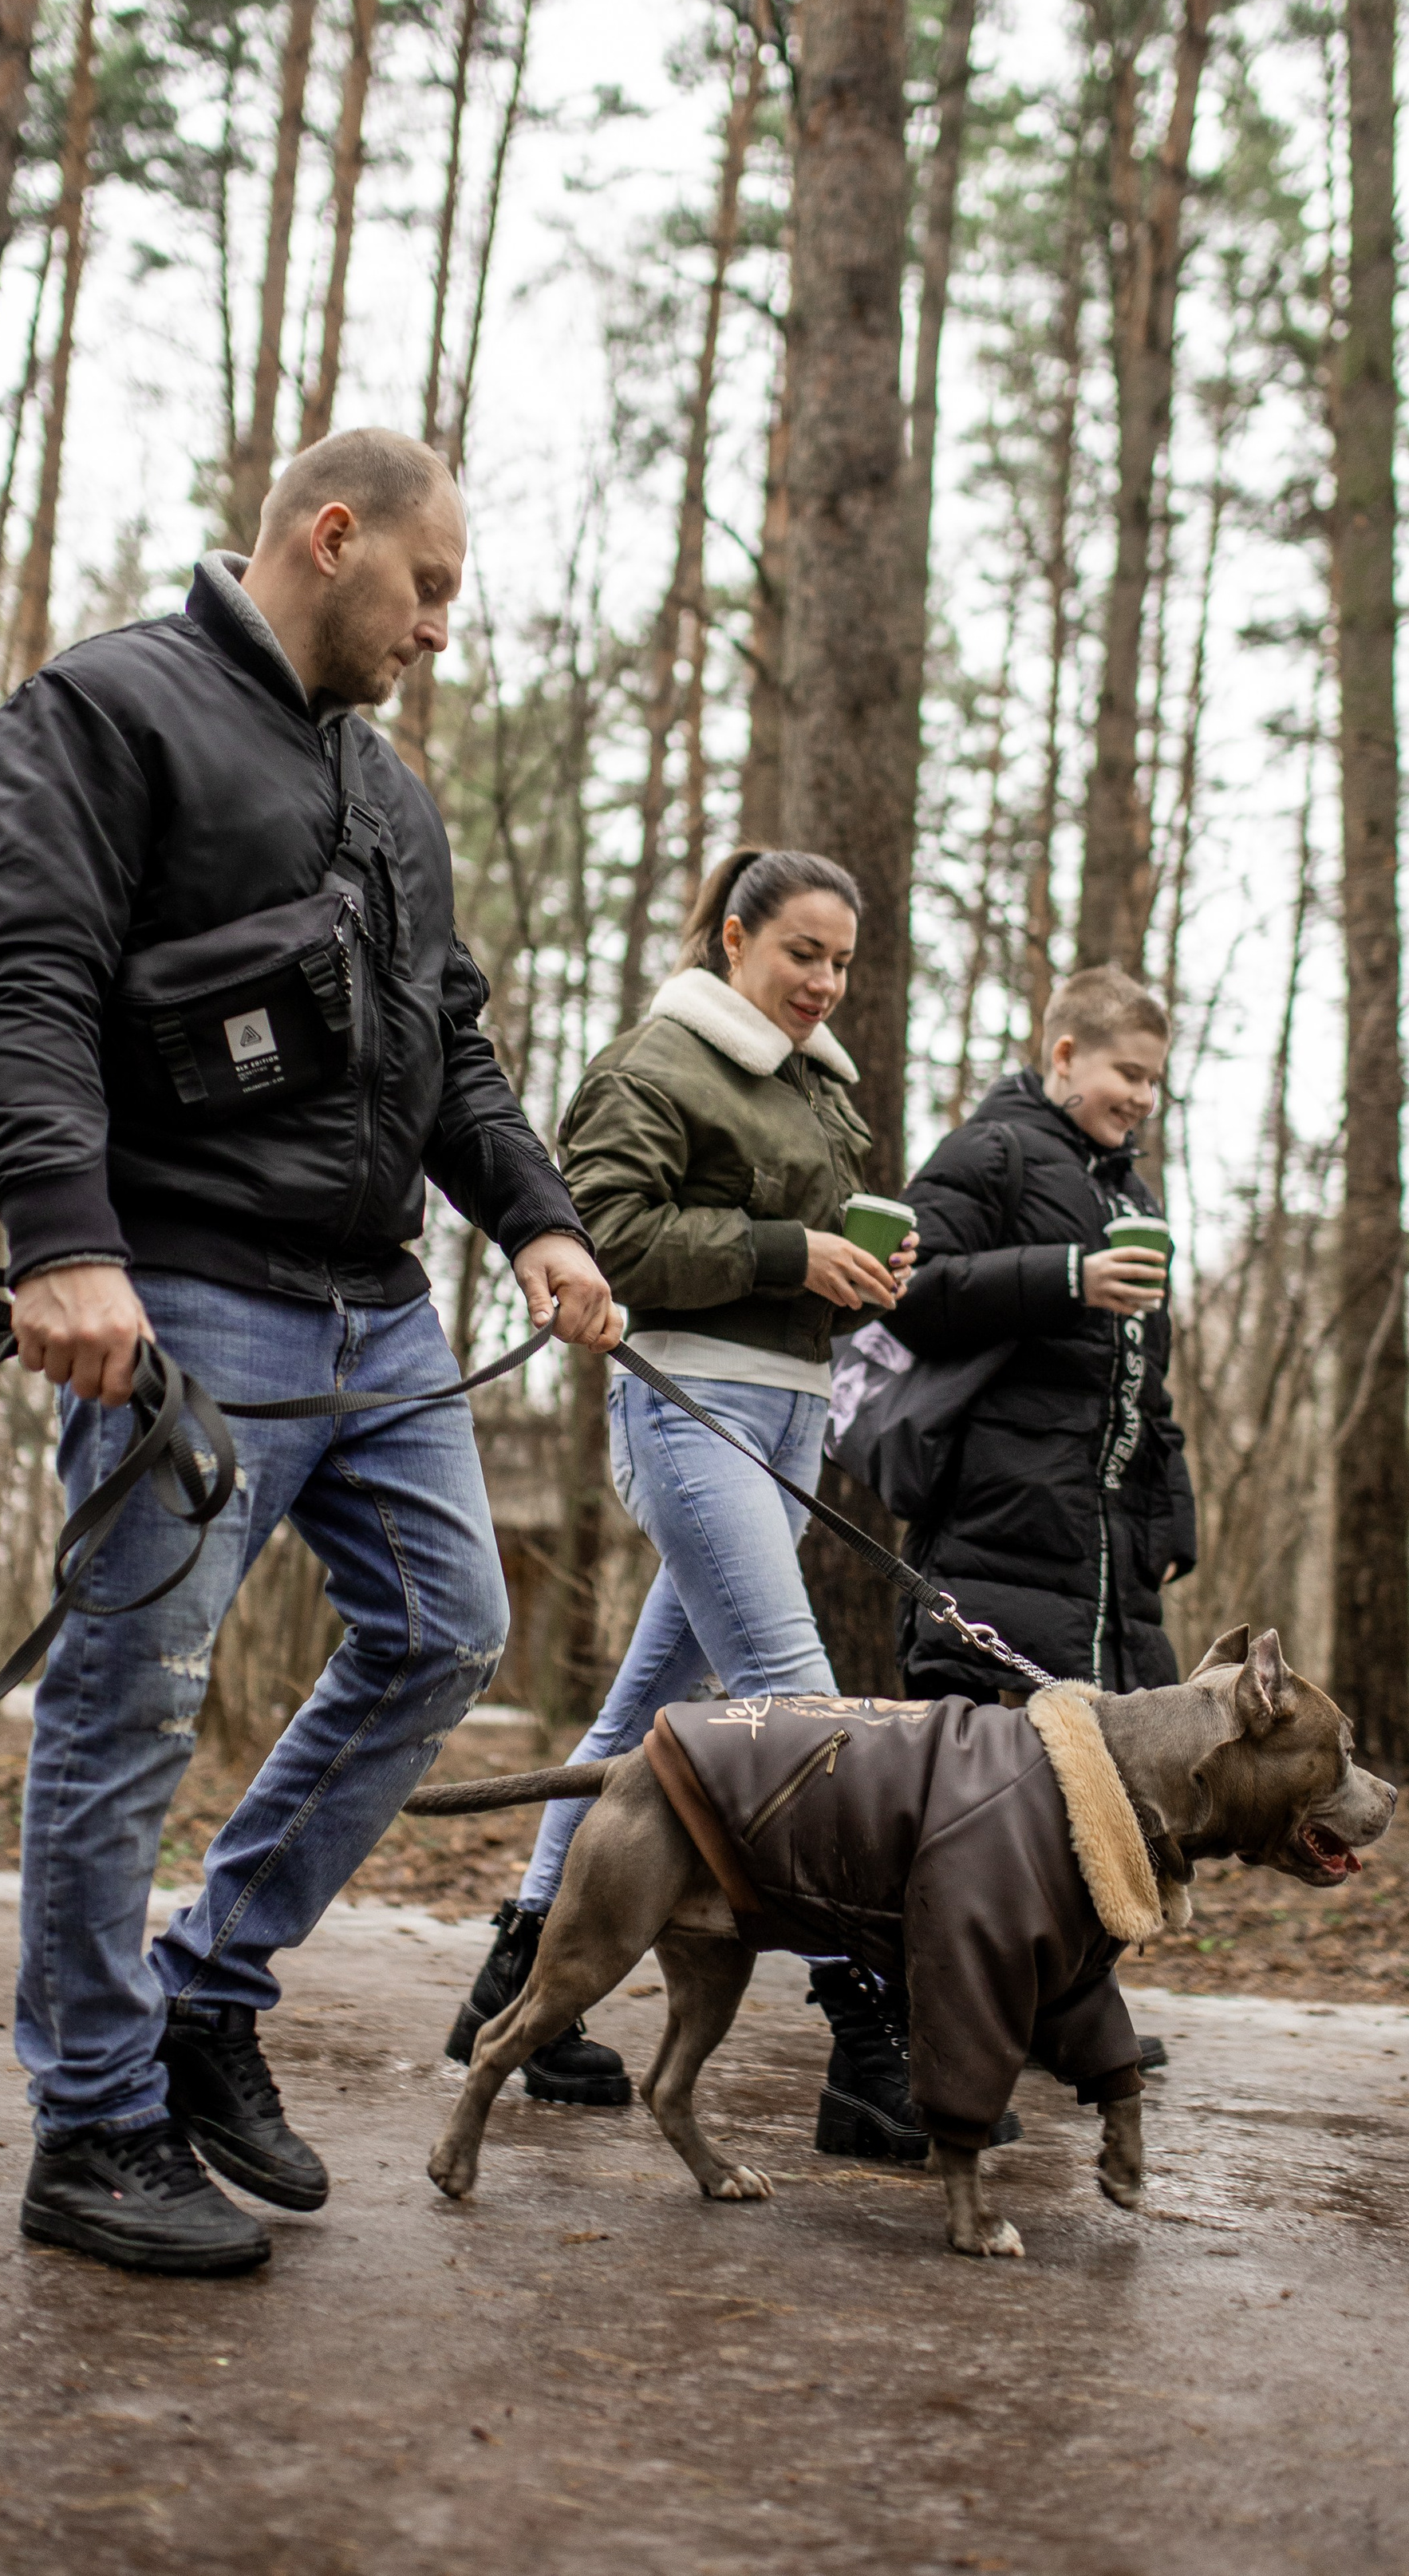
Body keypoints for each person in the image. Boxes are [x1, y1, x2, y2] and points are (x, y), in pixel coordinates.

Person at [0, 428, 620, 2278]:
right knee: (130, 1706)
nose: (438, 635)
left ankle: (209, 1989)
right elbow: (19, 977)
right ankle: (90, 2126)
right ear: (334, 538)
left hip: (378, 1307)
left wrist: (540, 1219)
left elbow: (449, 1048)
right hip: (185, 1300)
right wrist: (65, 1247)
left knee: (445, 1630)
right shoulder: (105, 710)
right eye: (428, 591)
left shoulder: (392, 795)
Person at [445, 847, 938, 2159]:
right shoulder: (654, 1065)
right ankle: (868, 2038)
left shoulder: (822, 1093)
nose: (825, 983)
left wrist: (864, 1268)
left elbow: (802, 1244)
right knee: (795, 1691)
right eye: (801, 955)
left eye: (842, 962)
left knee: (637, 1713)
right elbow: (607, 1233)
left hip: (791, 1409)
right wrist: (792, 1252)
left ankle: (515, 1975)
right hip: (688, 1403)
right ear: (735, 940)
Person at [891, 966, 1196, 1700]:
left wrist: (1172, 1518)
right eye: (1128, 1073)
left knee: (1120, 1791)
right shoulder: (991, 1152)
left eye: (1155, 1082)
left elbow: (1145, 1381)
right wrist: (1069, 1278)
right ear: (1064, 1057)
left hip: (1112, 1568)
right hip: (991, 1543)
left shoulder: (1133, 1194)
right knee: (983, 1791)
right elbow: (908, 1294)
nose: (1144, 1099)